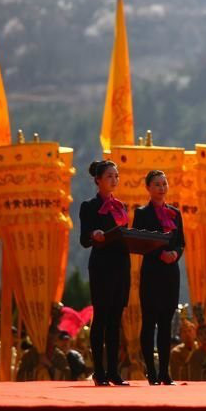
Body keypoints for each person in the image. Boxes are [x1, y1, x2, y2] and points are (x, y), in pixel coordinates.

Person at [79, 160, 131, 386]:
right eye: (109, 176)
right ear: (98, 180)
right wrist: (94, 234)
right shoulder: (89, 206)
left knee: (115, 320)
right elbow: (83, 239)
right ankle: (99, 371)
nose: (114, 180)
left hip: (121, 265)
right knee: (100, 317)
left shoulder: (121, 207)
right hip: (101, 266)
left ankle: (114, 371)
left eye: (116, 176)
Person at [133, 170, 185, 386]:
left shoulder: (175, 213)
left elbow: (181, 242)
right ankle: (151, 372)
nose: (162, 188)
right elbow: (139, 242)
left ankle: (165, 372)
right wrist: (159, 253)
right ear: (148, 187)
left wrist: (175, 254)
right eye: (157, 184)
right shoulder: (142, 213)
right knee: (149, 322)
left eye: (164, 183)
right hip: (152, 273)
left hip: (171, 273)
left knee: (166, 324)